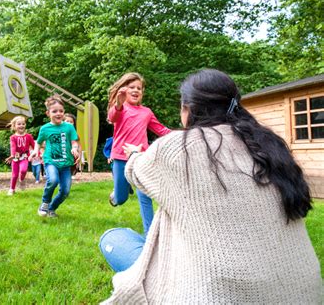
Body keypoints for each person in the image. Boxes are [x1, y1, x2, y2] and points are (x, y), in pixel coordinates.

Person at [99, 69, 321, 303]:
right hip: (305, 293)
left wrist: (135, 155)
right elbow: (113, 116)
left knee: (113, 238)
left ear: (188, 108)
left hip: (211, 295)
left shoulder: (178, 148)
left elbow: (136, 171)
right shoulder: (269, 146)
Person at [107, 72, 170, 235]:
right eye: (131, 87)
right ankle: (116, 194)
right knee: (121, 199)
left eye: (139, 88)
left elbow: (160, 129)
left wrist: (180, 135)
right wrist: (118, 105)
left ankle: (149, 234)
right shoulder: (119, 108)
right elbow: (112, 117)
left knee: (145, 196)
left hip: (142, 157)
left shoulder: (146, 112)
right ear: (123, 90)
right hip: (121, 157)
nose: (136, 90)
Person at [29, 95, 80, 218]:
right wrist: (35, 151)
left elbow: (74, 141)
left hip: (66, 164)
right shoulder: (45, 128)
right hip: (51, 161)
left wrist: (74, 148)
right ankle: (45, 203)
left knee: (65, 191)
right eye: (54, 111)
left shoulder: (69, 127)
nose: (58, 113)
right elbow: (38, 142)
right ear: (48, 113)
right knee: (52, 180)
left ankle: (52, 208)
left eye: (61, 111)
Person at [5, 116, 35, 196]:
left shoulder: (29, 136)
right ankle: (12, 189)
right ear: (14, 126)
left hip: (24, 157)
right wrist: (12, 155)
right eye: (19, 124)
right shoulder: (13, 137)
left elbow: (34, 146)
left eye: (23, 124)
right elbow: (13, 147)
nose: (21, 125)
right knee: (14, 175)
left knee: (23, 170)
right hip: (15, 158)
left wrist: (37, 153)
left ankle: (21, 179)